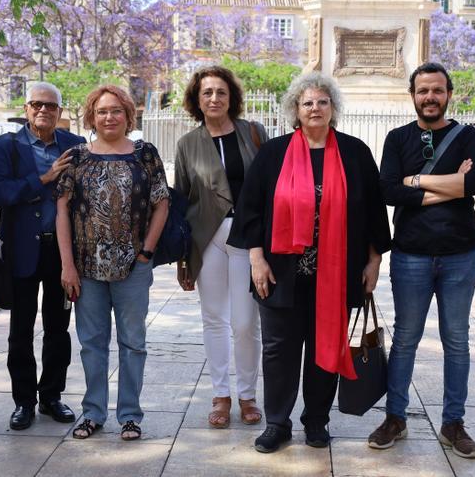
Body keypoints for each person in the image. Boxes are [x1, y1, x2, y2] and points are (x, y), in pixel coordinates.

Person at [228, 72, 391, 453]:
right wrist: (256, 259)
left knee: (326, 346)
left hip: (337, 272)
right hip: (281, 272)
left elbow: (372, 213)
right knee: (279, 351)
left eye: (322, 102)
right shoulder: (274, 154)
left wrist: (374, 261)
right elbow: (250, 210)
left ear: (333, 109)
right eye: (307, 103)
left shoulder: (355, 153)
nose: (315, 108)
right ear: (295, 112)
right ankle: (277, 423)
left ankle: (316, 420)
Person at [370, 62, 475, 458]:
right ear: (413, 95)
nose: (430, 98)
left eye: (437, 90)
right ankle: (395, 416)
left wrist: (416, 180)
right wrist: (448, 186)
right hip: (411, 255)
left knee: (457, 341)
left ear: (448, 93)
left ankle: (453, 422)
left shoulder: (467, 135)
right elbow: (387, 189)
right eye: (423, 91)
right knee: (405, 339)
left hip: (459, 255)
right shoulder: (397, 137)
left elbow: (473, 183)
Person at [57, 85, 169, 442]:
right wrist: (67, 266)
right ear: (92, 116)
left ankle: (130, 416)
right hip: (86, 268)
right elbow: (61, 211)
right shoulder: (76, 156)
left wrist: (147, 252)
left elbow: (161, 203)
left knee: (133, 342)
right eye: (102, 111)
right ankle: (92, 413)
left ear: (127, 115)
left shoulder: (145, 154)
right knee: (92, 343)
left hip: (133, 267)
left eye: (116, 111)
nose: (109, 117)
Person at [0, 82, 86, 430]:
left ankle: (52, 396)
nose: (43, 110)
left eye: (50, 106)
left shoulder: (75, 147)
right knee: (21, 330)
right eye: (36, 105)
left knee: (58, 329)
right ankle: (23, 401)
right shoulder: (4, 147)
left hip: (61, 253)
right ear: (26, 109)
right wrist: (44, 177)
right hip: (21, 251)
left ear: (60, 111)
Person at [174, 66, 267, 429]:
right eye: (207, 93)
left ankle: (248, 395)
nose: (214, 99)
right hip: (206, 239)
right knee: (214, 320)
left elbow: (270, 185)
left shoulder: (254, 133)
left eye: (221, 92)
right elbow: (181, 200)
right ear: (197, 100)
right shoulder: (187, 143)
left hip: (248, 238)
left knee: (245, 322)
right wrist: (184, 259)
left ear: (232, 98)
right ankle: (221, 396)